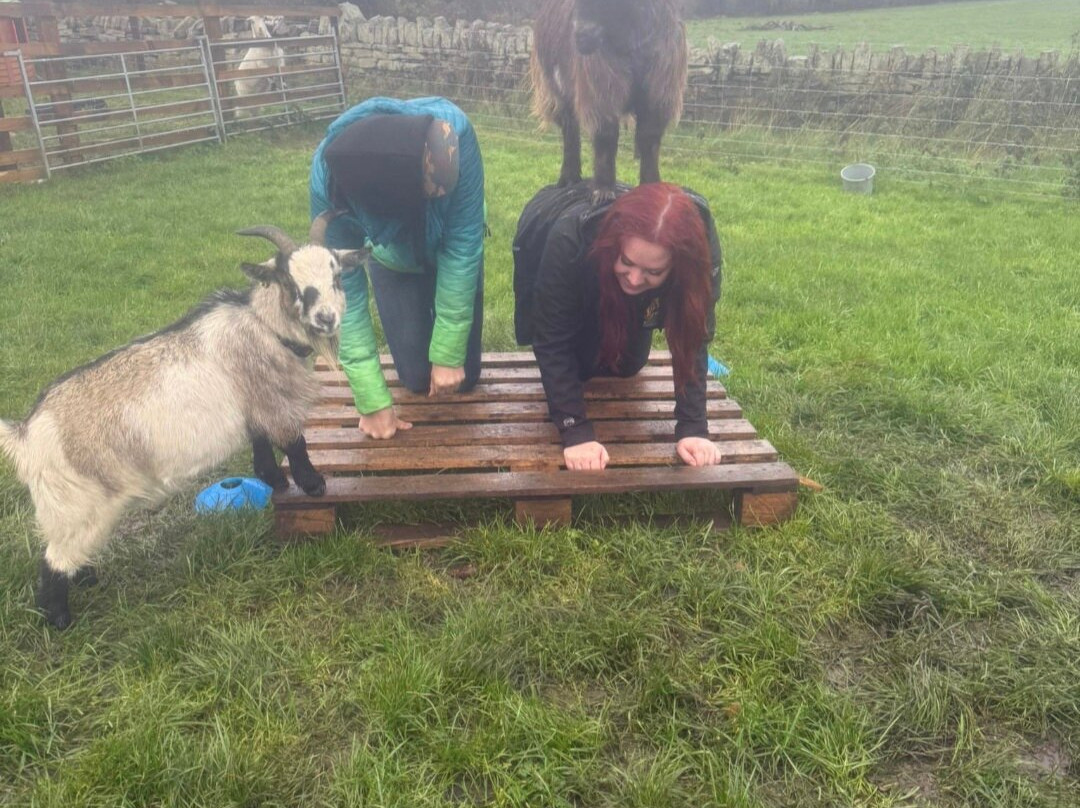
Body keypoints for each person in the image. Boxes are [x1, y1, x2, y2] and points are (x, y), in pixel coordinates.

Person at [514, 181, 723, 471]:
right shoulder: (569, 238)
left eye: (653, 271)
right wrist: (575, 431)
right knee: (580, 365)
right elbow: (551, 340)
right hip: (574, 257)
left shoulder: (699, 253)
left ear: (678, 265)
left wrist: (694, 428)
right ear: (617, 245)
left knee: (627, 365)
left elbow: (693, 337)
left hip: (619, 272)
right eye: (628, 262)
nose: (635, 279)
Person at [310, 96, 485, 439]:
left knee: (466, 377)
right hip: (392, 256)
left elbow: (462, 242)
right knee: (416, 378)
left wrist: (449, 353)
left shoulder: (456, 139)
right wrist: (371, 400)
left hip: (452, 244)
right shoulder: (330, 184)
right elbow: (346, 294)